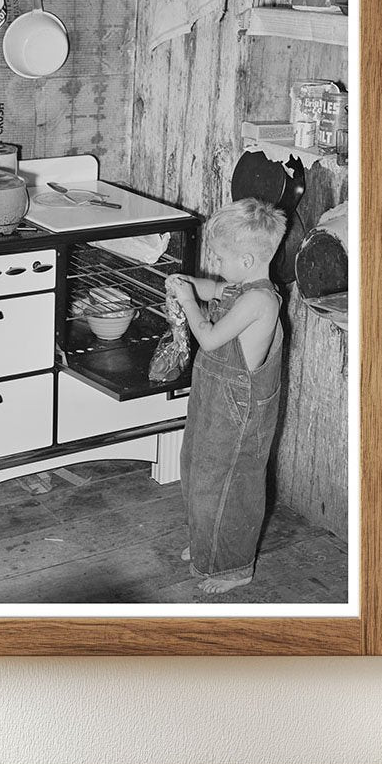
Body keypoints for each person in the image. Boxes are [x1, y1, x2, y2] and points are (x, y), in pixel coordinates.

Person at [166, 197, 286, 594]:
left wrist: (187, 304)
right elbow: (216, 289)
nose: (215, 264)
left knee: (228, 481)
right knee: (198, 468)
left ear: (248, 260)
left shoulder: (260, 300)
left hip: (239, 405)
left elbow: (211, 337)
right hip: (214, 393)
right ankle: (208, 542)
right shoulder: (245, 286)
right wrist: (189, 285)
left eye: (219, 257)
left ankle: (234, 566)